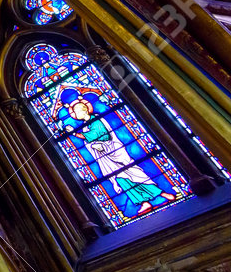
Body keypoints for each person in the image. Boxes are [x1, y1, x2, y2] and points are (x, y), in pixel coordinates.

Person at [60, 88, 178, 218]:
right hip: (106, 159)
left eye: (77, 112)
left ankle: (162, 193)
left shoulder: (96, 120)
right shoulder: (86, 125)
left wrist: (75, 133)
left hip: (115, 152)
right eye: (74, 114)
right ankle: (144, 202)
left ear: (84, 110)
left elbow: (98, 135)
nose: (75, 115)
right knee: (122, 179)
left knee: (135, 173)